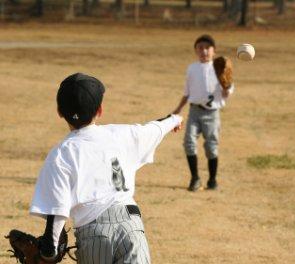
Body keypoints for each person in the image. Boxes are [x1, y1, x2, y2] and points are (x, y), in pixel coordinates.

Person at [29, 73, 183, 263]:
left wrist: (49, 252)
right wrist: (174, 119)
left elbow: (57, 211)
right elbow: (155, 128)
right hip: (131, 226)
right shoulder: (121, 134)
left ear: (59, 111)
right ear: (100, 110)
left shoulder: (60, 154)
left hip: (94, 234)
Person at [173, 34, 234, 192]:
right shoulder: (192, 68)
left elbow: (227, 92)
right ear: (195, 51)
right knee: (189, 143)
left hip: (212, 114)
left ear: (214, 51)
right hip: (194, 111)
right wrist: (178, 109)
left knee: (211, 146)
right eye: (200, 48)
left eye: (208, 48)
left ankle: (212, 180)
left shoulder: (219, 68)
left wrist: (226, 87)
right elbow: (187, 92)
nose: (204, 51)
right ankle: (195, 178)